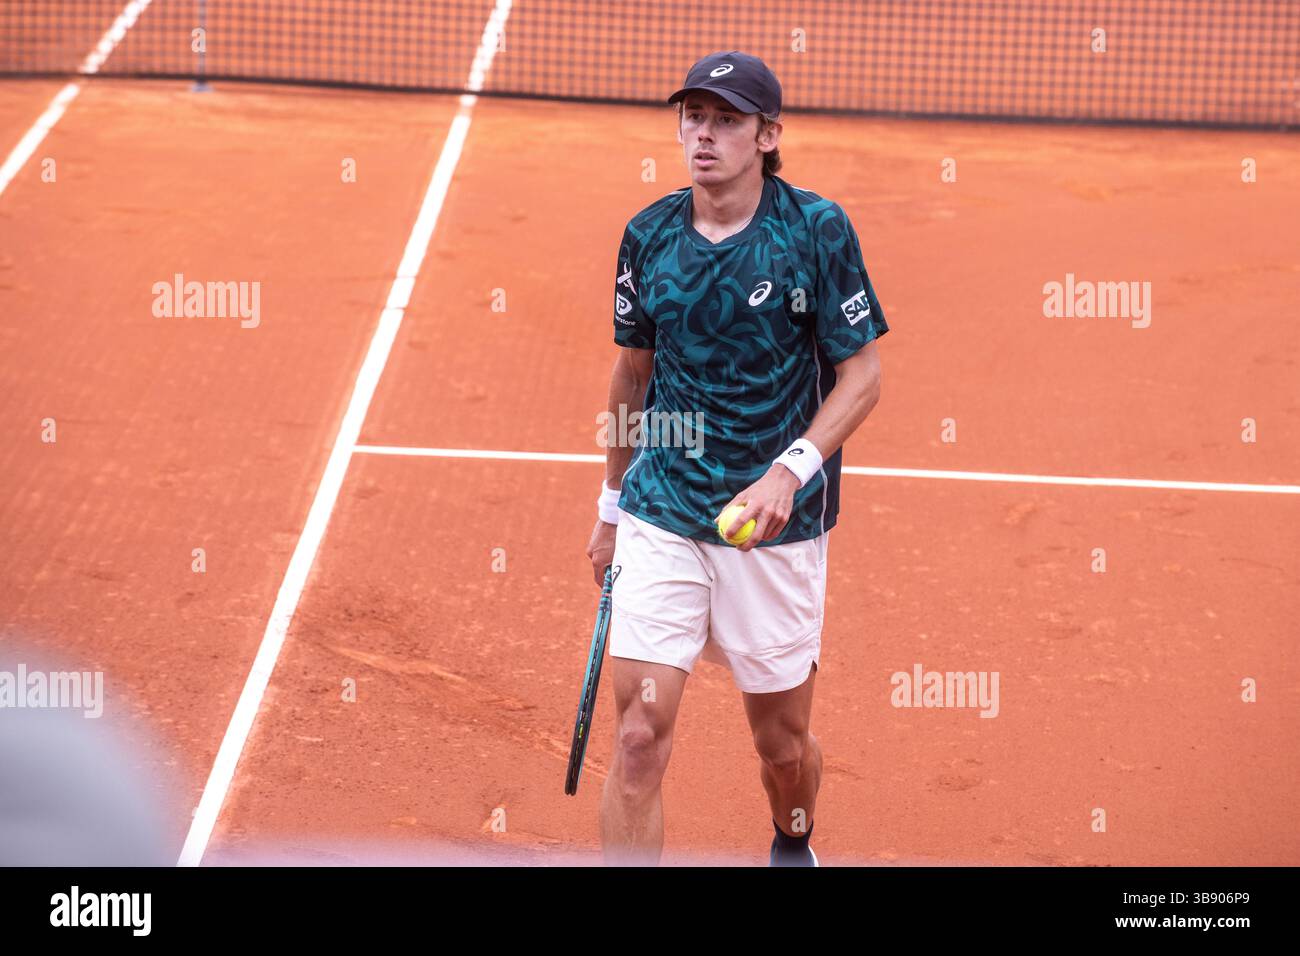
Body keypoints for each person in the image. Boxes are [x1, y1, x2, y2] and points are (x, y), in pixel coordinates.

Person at [585, 51, 888, 866]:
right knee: (640, 736)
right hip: (665, 510)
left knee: (783, 750)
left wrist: (790, 470)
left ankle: (794, 843)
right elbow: (632, 373)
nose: (704, 135)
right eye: (693, 117)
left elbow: (862, 376)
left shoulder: (815, 231)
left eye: (725, 120)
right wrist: (612, 508)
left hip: (775, 530)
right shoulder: (648, 236)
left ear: (768, 135)